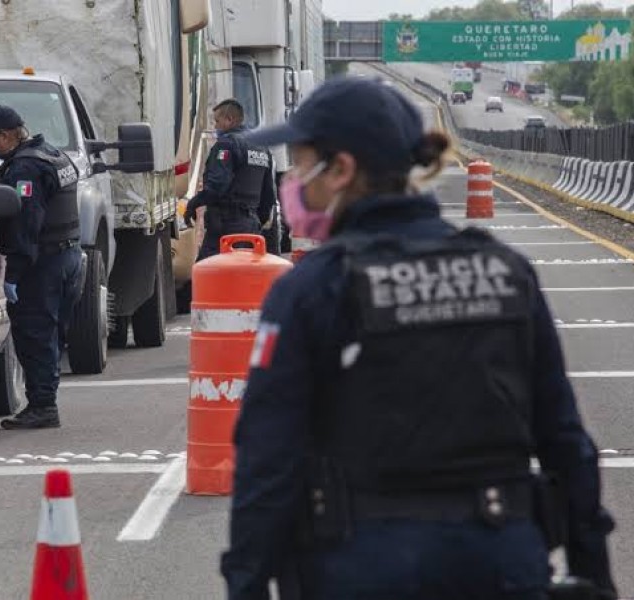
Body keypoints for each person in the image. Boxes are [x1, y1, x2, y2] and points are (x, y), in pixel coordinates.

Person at [220, 77, 617, 599]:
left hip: (363, 570)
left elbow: (267, 462)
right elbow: (565, 441)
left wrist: (246, 585)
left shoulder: (313, 290)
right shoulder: (505, 271)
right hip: (503, 563)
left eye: (299, 163)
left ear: (340, 170)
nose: (294, 181)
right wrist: (593, 573)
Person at [0, 105, 83, 430]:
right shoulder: (53, 155)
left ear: (5, 136)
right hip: (68, 256)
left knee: (35, 334)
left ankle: (43, 406)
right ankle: (44, 400)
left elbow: (25, 224)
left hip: (42, 264)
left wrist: (14, 273)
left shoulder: (24, 168)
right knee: (51, 334)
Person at [184, 98, 277, 260]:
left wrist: (194, 203)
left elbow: (218, 185)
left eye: (217, 121)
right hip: (251, 228)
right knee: (244, 275)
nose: (215, 126)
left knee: (207, 274)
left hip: (226, 227)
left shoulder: (227, 144)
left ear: (229, 120)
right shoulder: (261, 147)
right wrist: (256, 222)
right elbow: (269, 193)